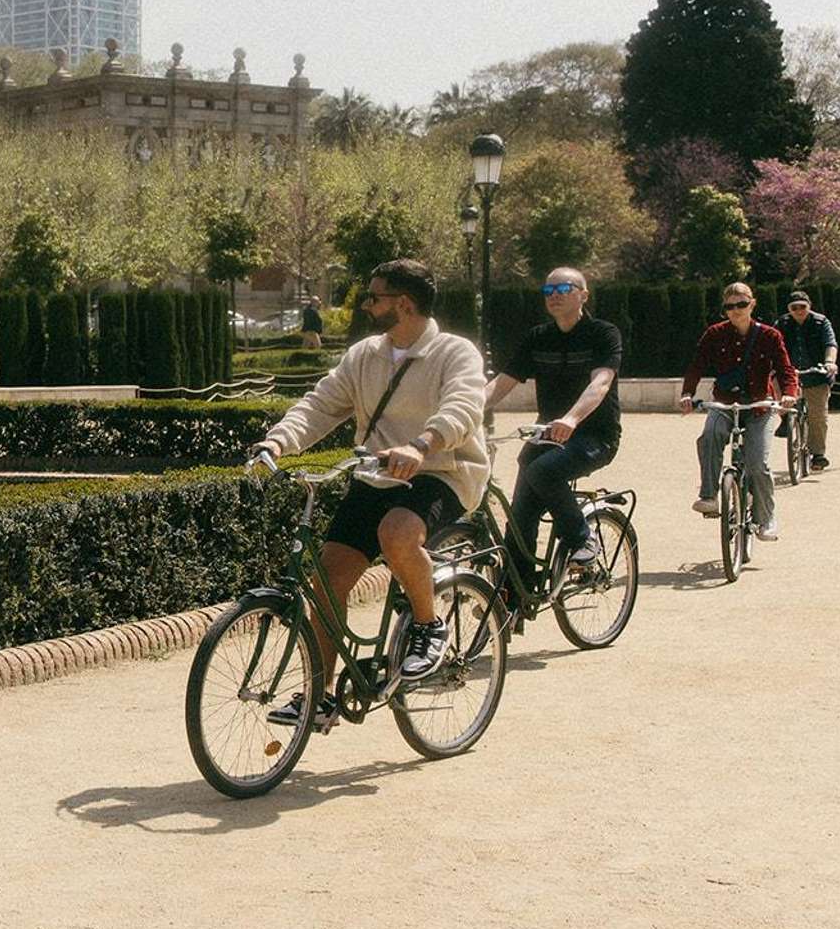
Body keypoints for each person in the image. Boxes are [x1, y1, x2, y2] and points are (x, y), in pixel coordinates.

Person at [248, 259, 487, 726]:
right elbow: (320, 405)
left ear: (404, 304)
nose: (366, 304)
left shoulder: (455, 353)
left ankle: (428, 625)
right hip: (376, 473)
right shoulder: (364, 355)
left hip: (442, 470)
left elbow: (463, 408)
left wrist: (421, 445)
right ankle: (318, 697)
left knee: (397, 533)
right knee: (327, 579)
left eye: (374, 297)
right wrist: (277, 441)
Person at [481, 267, 622, 583]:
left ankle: (583, 539)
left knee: (543, 471)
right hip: (547, 436)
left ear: (583, 295)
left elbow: (600, 383)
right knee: (520, 515)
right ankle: (516, 592)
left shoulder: (603, 334)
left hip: (595, 437)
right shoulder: (538, 337)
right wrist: (465, 410)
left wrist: (571, 419)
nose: (554, 296)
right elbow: (502, 382)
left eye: (563, 289)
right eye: (548, 291)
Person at [679, 282, 799, 541]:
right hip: (725, 403)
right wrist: (687, 393)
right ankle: (709, 496)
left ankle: (766, 519)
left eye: (741, 304)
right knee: (709, 435)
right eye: (729, 306)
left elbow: (785, 369)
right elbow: (696, 365)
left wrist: (789, 393)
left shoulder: (769, 335)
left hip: (759, 406)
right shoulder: (714, 334)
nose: (736, 310)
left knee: (758, 464)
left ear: (752, 304)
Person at [772, 291, 838, 470]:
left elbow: (830, 344)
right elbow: (772, 345)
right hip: (789, 374)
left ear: (809, 306)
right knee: (775, 384)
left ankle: (818, 454)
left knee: (818, 416)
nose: (799, 310)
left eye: (802, 306)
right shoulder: (782, 323)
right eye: (794, 307)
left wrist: (830, 362)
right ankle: (785, 418)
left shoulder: (821, 322)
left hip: (816, 374)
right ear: (789, 309)